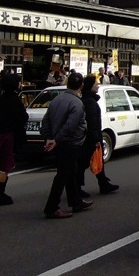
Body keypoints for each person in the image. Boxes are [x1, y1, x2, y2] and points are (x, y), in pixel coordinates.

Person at [40, 72, 92, 219]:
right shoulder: (76, 103)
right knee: (63, 175)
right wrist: (55, 140)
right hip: (69, 142)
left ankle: (76, 201)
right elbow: (71, 125)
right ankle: (51, 207)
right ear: (81, 85)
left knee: (70, 172)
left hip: (59, 141)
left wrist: (49, 138)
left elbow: (46, 121)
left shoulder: (57, 99)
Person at [0, 73, 28, 205]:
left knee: (2, 164)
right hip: (7, 136)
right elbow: (23, 117)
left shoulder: (1, 99)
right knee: (5, 165)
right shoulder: (15, 100)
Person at [77, 76, 119, 196]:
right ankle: (78, 187)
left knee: (97, 160)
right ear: (90, 86)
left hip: (91, 136)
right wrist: (96, 139)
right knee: (84, 163)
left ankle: (103, 183)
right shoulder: (89, 102)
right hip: (90, 138)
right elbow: (92, 122)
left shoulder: (89, 100)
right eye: (96, 83)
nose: (98, 85)